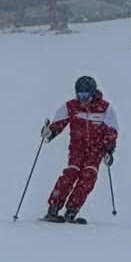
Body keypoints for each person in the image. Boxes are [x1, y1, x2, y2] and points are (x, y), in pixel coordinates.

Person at [39, 75, 119, 223]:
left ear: (93, 93)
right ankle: (53, 209)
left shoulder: (105, 109)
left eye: (86, 95)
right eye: (80, 95)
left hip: (96, 150)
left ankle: (72, 210)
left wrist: (109, 150)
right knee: (71, 173)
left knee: (88, 176)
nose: (83, 99)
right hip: (77, 148)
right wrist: (50, 132)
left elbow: (112, 130)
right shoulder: (72, 106)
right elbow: (59, 122)